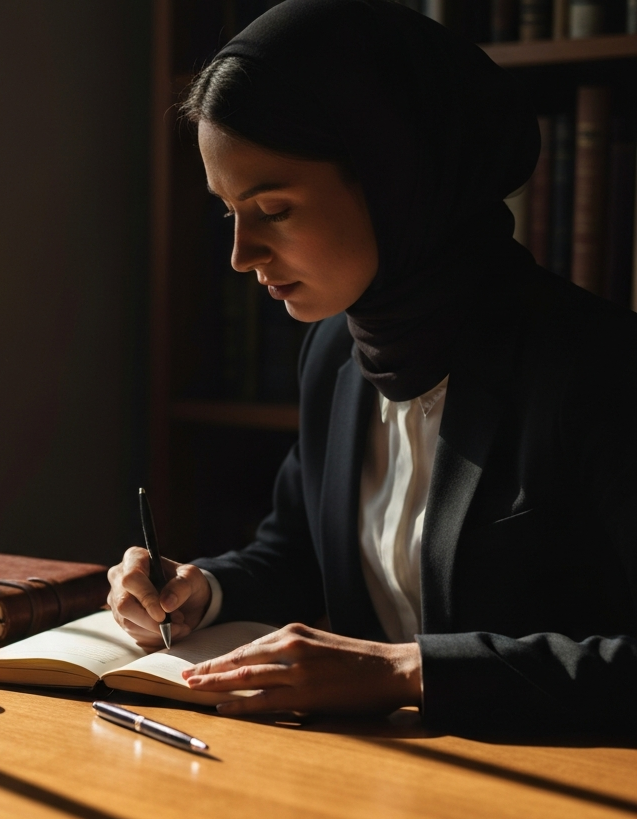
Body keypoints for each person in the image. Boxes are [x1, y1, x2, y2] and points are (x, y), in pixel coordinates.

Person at [107, 0, 637, 734]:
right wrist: (202, 590)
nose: (241, 255)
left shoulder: (601, 370)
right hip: (382, 789)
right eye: (230, 212)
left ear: (398, 181)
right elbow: (295, 552)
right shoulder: (336, 355)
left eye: (274, 208)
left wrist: (406, 671)